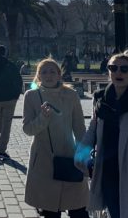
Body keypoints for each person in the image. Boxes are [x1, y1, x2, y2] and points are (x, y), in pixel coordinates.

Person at [75, 52, 128, 218]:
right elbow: (92, 131)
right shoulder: (101, 101)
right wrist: (81, 156)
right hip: (108, 174)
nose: (118, 73)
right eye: (113, 68)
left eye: (124, 69)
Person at [22, 58, 89, 217]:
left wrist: (85, 157)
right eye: (44, 72)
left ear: (59, 75)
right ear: (38, 77)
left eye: (52, 71)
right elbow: (28, 129)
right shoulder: (31, 96)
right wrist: (43, 118)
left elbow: (79, 128)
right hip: (44, 160)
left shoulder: (71, 95)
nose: (48, 75)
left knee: (78, 210)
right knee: (50, 211)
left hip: (69, 157)